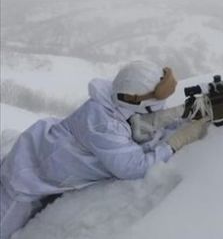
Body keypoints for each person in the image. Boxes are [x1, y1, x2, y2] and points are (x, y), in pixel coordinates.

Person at [0, 60, 208, 239]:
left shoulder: (117, 101)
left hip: (36, 152)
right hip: (22, 183)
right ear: (134, 99)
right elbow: (133, 167)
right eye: (158, 98)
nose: (162, 103)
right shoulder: (103, 126)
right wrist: (176, 141)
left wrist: (177, 116)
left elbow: (134, 126)